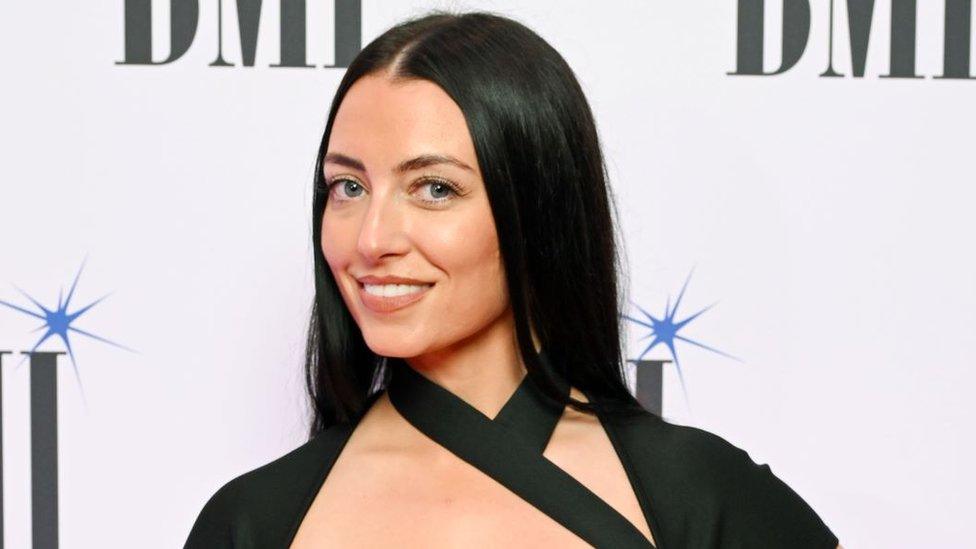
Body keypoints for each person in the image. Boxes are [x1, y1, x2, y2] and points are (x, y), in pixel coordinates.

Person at [184, 10, 842, 548]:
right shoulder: (255, 522)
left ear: (537, 209)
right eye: (348, 185)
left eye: (435, 188)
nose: (371, 239)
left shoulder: (695, 494)